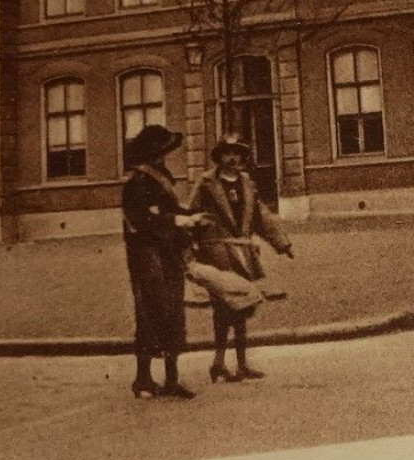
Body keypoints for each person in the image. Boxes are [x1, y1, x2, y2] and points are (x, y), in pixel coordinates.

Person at [188, 135, 294, 383]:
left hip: (242, 253)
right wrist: (192, 244)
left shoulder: (247, 183)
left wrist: (282, 243)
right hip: (217, 254)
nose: (232, 158)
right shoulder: (206, 183)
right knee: (223, 308)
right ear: (219, 156)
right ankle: (219, 362)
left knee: (243, 305)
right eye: (227, 152)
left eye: (237, 152)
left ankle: (241, 364)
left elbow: (260, 217)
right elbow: (190, 214)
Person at [122, 124, 209, 399]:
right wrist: (177, 220)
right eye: (161, 151)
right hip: (146, 255)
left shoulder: (161, 177)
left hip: (168, 251)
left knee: (173, 311)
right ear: (152, 153)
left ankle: (172, 380)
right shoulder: (138, 182)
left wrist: (191, 215)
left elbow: (169, 210)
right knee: (150, 311)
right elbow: (140, 220)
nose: (164, 156)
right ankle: (143, 380)